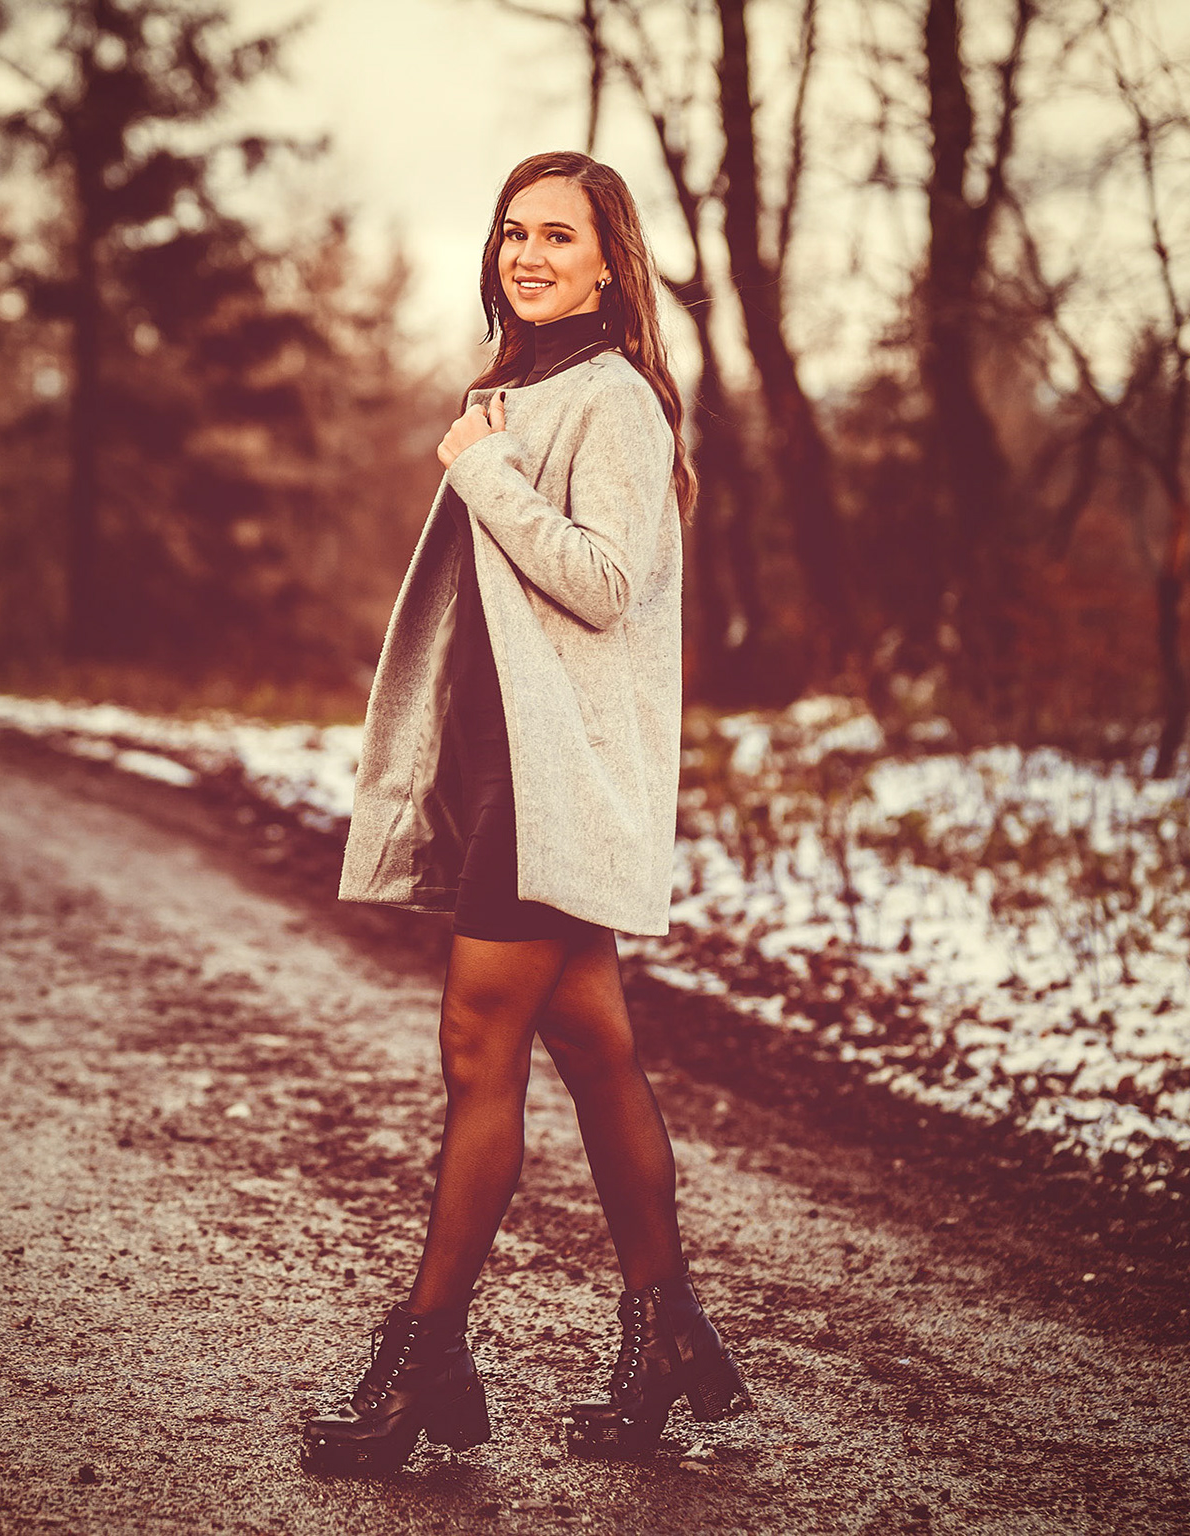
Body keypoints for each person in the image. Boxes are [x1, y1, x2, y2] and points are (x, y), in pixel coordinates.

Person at [299, 150, 749, 1476]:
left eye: (558, 235)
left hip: (559, 782)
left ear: (610, 263)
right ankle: (666, 1335)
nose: (529, 255)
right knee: (595, 1048)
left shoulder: (614, 401)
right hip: (507, 770)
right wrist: (487, 449)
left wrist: (484, 470)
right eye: (513, 233)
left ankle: (425, 1360)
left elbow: (604, 586)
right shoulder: (516, 392)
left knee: (475, 1044)